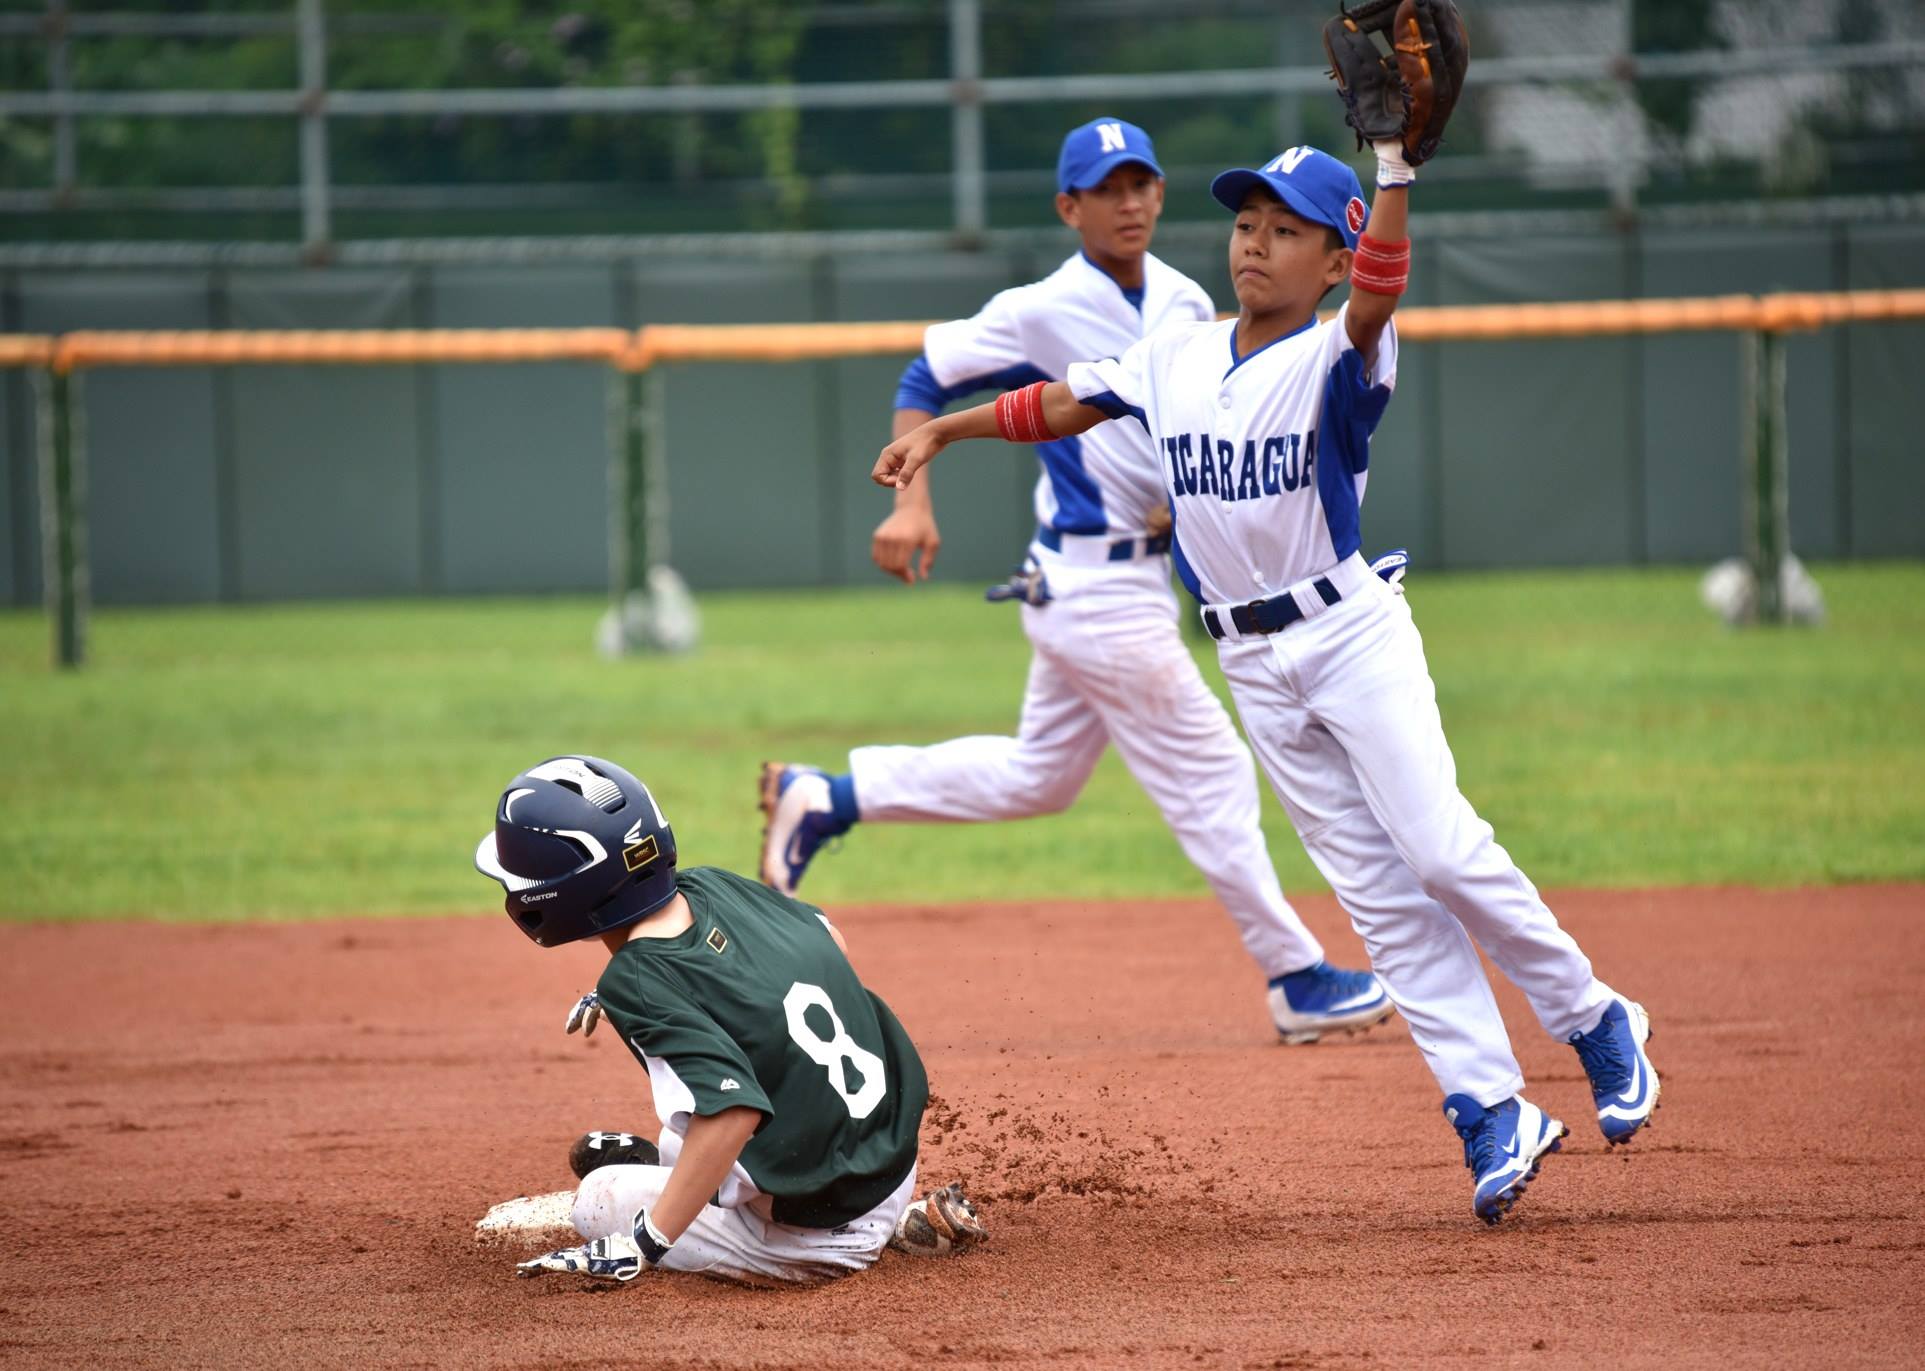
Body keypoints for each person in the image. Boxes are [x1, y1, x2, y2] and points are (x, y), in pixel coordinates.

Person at [867, 135, 1660, 1225]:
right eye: (1246, 223)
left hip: (1348, 636)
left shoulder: (1344, 350)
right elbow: (1057, 403)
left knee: (1436, 848)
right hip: (1246, 655)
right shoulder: (1174, 350)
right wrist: (943, 437)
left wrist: (1391, 171)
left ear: (1330, 260)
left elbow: (1385, 283)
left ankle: (1589, 1014)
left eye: (1286, 231)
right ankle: (1488, 1103)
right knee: (1376, 899)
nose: (1255, 244)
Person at [758, 116, 1392, 1047]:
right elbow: (925, 372)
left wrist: (1196, 495)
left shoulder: (1186, 300)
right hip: (1091, 584)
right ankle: (1296, 974)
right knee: (1212, 767)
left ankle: (832, 794)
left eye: (1140, 182)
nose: (1127, 201)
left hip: (1122, 584)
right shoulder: (1039, 307)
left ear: (1161, 194)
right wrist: (913, 502)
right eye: (1105, 188)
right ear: (1070, 207)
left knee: (1039, 775)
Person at [474, 754, 985, 1283]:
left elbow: (734, 1112)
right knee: (694, 1126)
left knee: (598, 1200)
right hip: (890, 1162)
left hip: (808, 1238)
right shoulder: (711, 886)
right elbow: (829, 941)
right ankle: (895, 1217)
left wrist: (646, 1244)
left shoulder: (636, 981)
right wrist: (663, 988)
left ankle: (851, 1233)